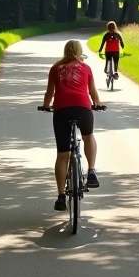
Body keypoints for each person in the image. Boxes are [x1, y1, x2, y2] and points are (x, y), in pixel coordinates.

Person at [42, 40, 105, 211]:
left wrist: (46, 105)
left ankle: (61, 196)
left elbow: (50, 92)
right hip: (82, 108)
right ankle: (91, 171)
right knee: (88, 136)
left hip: (62, 111)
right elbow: (92, 91)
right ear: (79, 51)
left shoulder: (55, 68)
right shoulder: (85, 68)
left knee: (63, 154)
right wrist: (97, 103)